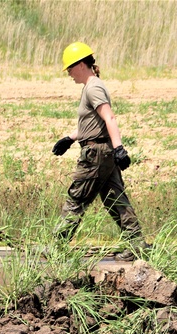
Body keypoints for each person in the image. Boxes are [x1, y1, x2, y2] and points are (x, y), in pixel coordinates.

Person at [52, 42, 146, 261]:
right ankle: (137, 245)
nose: (68, 74)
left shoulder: (93, 87)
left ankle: (57, 246)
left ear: (81, 64)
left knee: (77, 197)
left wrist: (120, 148)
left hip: (96, 154)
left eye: (70, 69)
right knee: (115, 199)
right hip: (103, 152)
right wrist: (70, 138)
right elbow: (93, 124)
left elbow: (109, 117)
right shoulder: (93, 86)